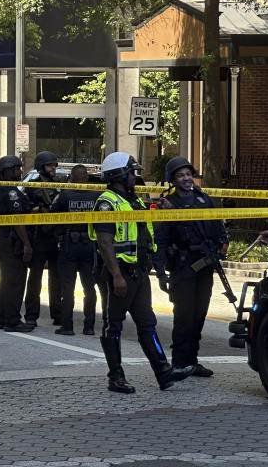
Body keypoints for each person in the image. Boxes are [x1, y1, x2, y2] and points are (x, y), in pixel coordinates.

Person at [89, 151, 193, 393]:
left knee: (147, 324)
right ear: (119, 175)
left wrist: (161, 215)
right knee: (112, 326)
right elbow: (104, 242)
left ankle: (163, 373)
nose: (135, 177)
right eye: (131, 172)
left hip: (138, 272)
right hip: (118, 273)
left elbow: (144, 232)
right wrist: (116, 275)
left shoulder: (133, 201)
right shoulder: (106, 202)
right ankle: (115, 377)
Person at [153, 157, 227, 377]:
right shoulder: (168, 204)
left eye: (188, 174)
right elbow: (161, 239)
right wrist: (160, 272)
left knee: (199, 314)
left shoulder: (204, 199)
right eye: (180, 175)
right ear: (173, 180)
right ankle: (178, 362)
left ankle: (192, 361)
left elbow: (218, 225)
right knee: (184, 316)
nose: (186, 179)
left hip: (205, 264)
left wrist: (222, 245)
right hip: (183, 267)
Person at [50, 164, 100, 336]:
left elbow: (52, 215)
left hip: (69, 245)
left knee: (67, 288)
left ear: (72, 178)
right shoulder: (97, 196)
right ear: (86, 178)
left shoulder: (64, 195)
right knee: (90, 288)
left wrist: (59, 236)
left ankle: (68, 326)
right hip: (89, 246)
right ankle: (89, 326)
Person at [0, 155, 35, 332]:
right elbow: (17, 220)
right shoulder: (10, 191)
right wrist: (27, 244)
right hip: (13, 241)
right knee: (15, 282)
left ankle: (3, 317)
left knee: (6, 282)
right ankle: (12, 320)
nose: (19, 172)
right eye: (16, 169)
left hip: (5, 238)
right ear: (6, 171)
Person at [24, 151, 62, 327]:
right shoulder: (31, 187)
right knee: (35, 279)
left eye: (54, 165)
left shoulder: (60, 186)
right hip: (38, 237)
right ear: (41, 168)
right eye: (49, 165)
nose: (53, 168)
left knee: (57, 279)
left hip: (56, 237)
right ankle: (31, 314)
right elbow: (25, 211)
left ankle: (58, 313)